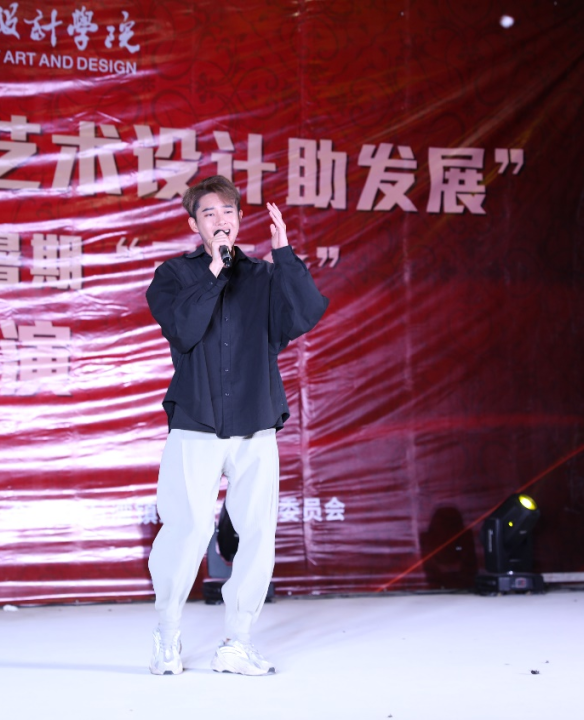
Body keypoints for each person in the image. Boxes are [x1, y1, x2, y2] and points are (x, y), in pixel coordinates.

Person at [145, 175, 329, 676]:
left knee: (257, 534)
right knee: (186, 529)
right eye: (209, 213)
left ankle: (238, 641)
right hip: (196, 422)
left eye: (228, 212)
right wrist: (214, 270)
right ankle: (167, 635)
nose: (220, 220)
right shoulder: (173, 276)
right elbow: (183, 330)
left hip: (255, 422)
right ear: (194, 225)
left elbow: (305, 313)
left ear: (240, 220)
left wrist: (284, 252)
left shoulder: (264, 277)